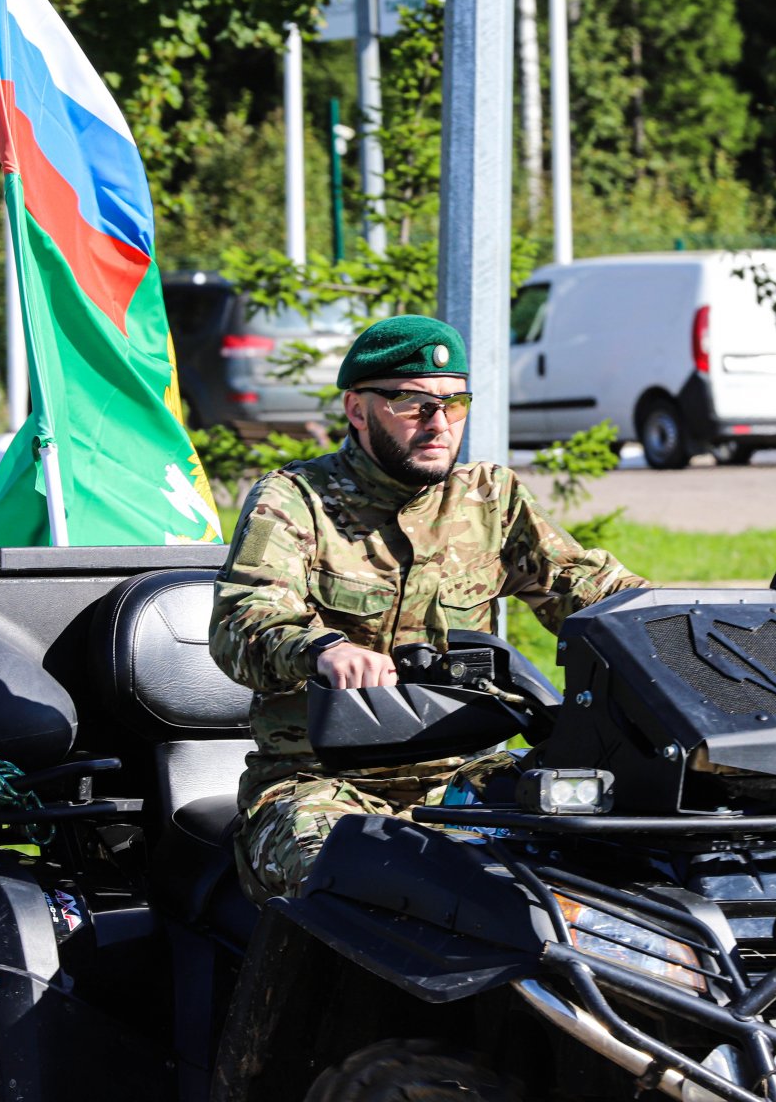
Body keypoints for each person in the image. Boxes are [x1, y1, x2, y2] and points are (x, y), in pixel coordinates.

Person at [209, 313, 647, 902]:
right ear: (358, 410)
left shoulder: (489, 498)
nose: (438, 423)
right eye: (413, 403)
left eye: (454, 403)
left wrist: (682, 623)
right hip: (320, 785)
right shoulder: (296, 500)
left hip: (468, 778)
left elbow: (588, 590)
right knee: (357, 887)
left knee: (611, 863)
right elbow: (246, 618)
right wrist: (322, 650)